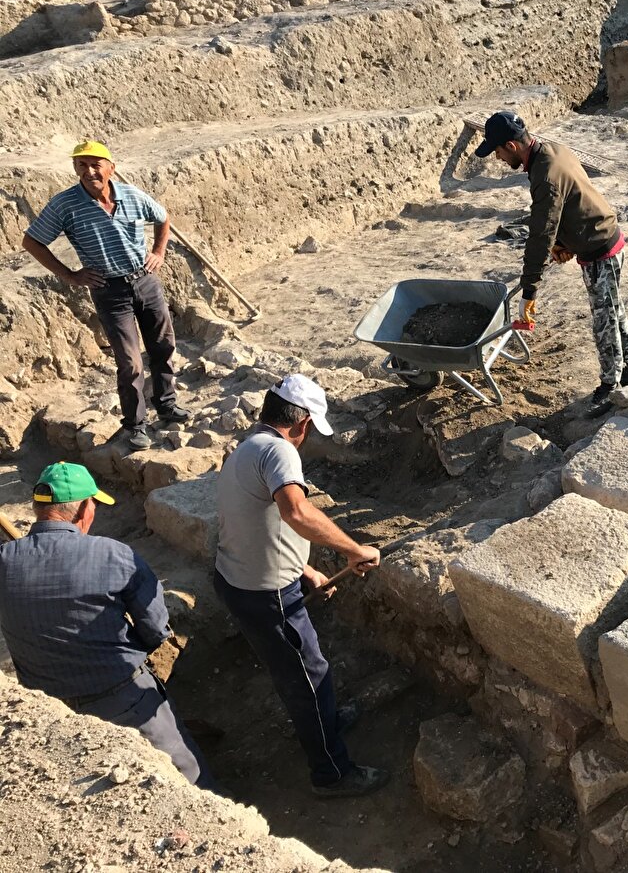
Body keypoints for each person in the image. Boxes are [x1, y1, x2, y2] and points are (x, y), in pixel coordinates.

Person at [213, 373, 388, 798]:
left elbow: (258, 523)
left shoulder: (248, 448)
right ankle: (331, 774)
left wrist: (304, 571)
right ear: (303, 422)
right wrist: (352, 550)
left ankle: (323, 722)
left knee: (300, 673)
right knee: (309, 677)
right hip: (265, 594)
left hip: (240, 579)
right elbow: (295, 512)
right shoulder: (280, 451)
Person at [0, 462, 216, 790]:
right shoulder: (114, 555)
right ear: (86, 507)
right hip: (123, 698)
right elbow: (156, 627)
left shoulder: (4, 562)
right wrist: (130, 649)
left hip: (48, 710)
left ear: (37, 508)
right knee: (188, 778)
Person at [474, 111, 628, 416]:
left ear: (512, 146)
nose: (499, 158)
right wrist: (566, 243)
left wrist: (529, 291)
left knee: (603, 321)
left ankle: (611, 387)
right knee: (612, 308)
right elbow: (571, 203)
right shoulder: (552, 150)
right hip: (600, 237)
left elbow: (541, 234)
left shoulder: (544, 176)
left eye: (498, 151)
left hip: (600, 249)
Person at [21, 141, 189, 452]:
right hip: (109, 290)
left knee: (163, 345)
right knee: (130, 362)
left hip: (146, 282)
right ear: (75, 170)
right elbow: (32, 241)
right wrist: (69, 275)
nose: (89, 171)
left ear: (111, 167)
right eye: (81, 165)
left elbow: (162, 218)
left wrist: (158, 252)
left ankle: (166, 406)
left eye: (95, 164)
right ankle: (136, 424)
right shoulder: (65, 205)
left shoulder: (131, 195)